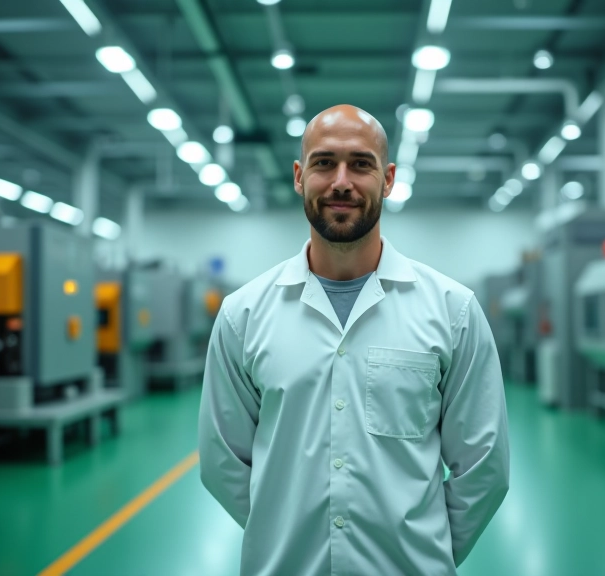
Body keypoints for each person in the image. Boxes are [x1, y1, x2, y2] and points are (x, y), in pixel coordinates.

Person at [198, 104, 510, 576]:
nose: (341, 181)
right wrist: (284, 536)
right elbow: (224, 460)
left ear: (387, 179)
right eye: (324, 163)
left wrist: (424, 553)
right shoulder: (244, 313)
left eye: (360, 164)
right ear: (300, 176)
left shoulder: (452, 310)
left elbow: (484, 466)